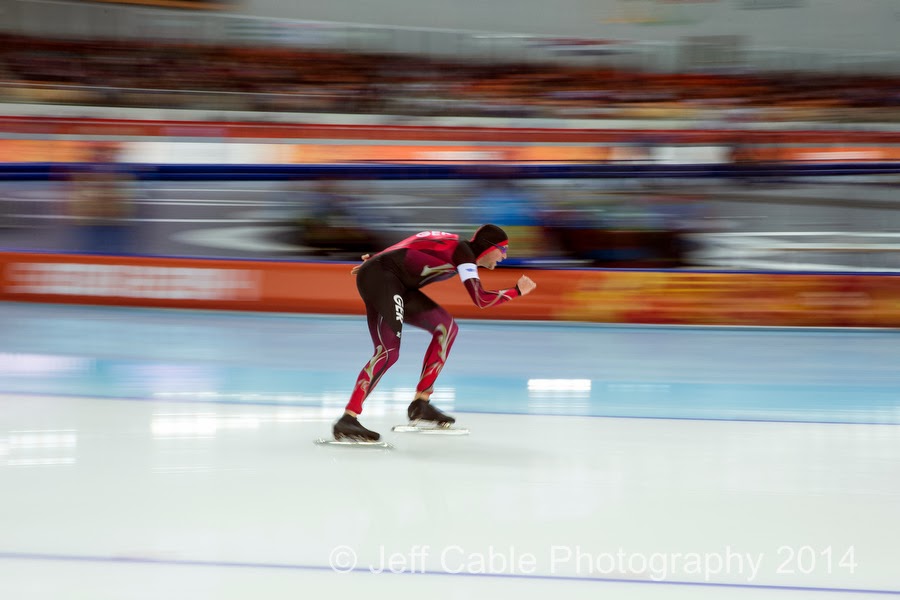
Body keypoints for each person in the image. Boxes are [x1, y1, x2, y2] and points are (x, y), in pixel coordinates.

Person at [334, 224, 537, 442]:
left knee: (446, 328)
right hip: (382, 278)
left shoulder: (452, 244)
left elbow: (415, 241)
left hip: (394, 282)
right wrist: (516, 291)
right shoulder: (463, 254)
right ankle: (348, 418)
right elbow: (480, 299)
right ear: (488, 247)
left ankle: (421, 403)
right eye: (503, 250)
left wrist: (378, 257)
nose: (504, 256)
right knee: (388, 352)